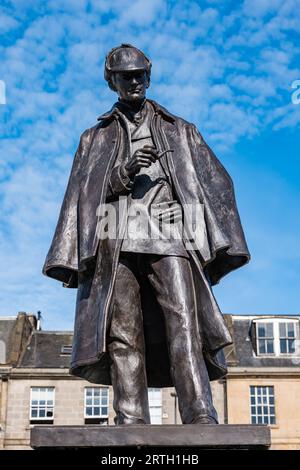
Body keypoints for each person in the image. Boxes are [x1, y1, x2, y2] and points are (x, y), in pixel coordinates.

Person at [43, 44, 250, 425]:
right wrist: (121, 173)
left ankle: (200, 412)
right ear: (112, 81)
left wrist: (190, 216)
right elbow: (80, 197)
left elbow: (218, 186)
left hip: (169, 236)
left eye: (140, 74)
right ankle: (130, 418)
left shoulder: (179, 129)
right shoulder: (95, 138)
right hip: (115, 238)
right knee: (123, 334)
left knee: (184, 324)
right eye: (126, 76)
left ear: (149, 76)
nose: (135, 81)